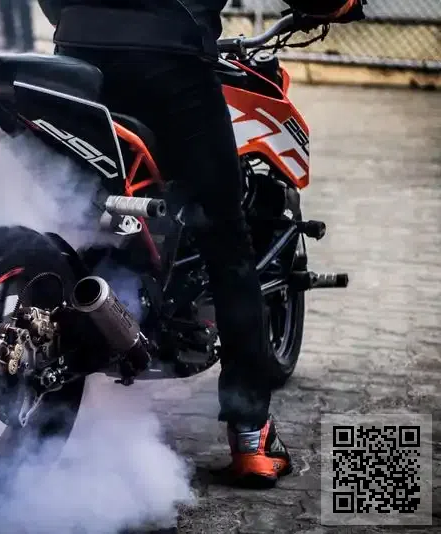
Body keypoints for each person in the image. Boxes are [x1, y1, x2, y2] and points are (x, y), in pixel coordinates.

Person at [37, 0, 365, 487]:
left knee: (79, 207)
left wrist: (77, 20)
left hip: (76, 56)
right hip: (171, 62)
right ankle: (252, 437)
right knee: (226, 241)